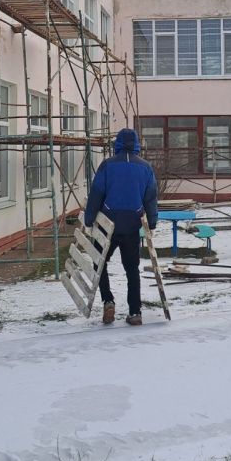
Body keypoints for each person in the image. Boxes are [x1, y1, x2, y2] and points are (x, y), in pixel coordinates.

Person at [83, 127, 158, 326]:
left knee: (99, 263)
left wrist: (89, 219)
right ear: (136, 144)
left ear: (117, 143)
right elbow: (151, 197)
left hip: (108, 224)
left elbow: (96, 193)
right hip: (132, 224)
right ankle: (135, 312)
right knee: (132, 268)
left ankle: (108, 301)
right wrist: (152, 222)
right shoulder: (145, 167)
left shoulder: (107, 165)